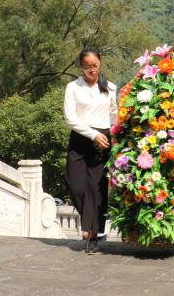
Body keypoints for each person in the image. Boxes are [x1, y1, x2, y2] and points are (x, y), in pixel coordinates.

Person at [63, 46, 116, 255]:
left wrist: (115, 135)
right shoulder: (73, 87)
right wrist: (92, 133)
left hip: (103, 139)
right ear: (81, 67)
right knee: (74, 183)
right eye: (87, 67)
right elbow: (70, 117)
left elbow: (114, 114)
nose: (91, 70)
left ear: (100, 64)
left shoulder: (110, 87)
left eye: (94, 66)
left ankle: (93, 234)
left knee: (97, 188)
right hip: (81, 137)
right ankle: (88, 222)